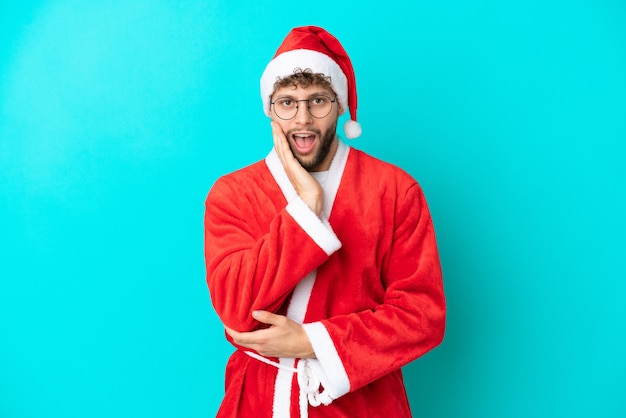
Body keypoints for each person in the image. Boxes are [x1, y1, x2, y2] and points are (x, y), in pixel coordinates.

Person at [204, 26, 446, 418]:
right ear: (270, 109)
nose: (303, 119)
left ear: (339, 104)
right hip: (258, 401)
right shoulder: (233, 193)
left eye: (317, 101)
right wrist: (307, 208)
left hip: (363, 404)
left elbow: (422, 316)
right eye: (287, 102)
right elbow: (236, 310)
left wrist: (311, 342)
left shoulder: (395, 190)